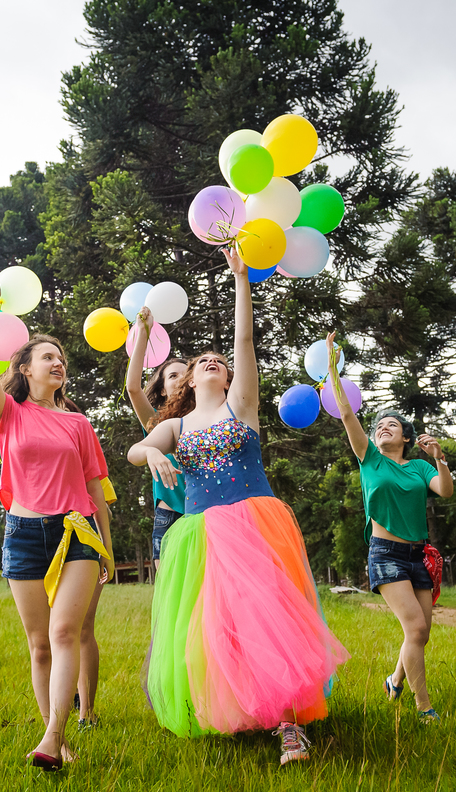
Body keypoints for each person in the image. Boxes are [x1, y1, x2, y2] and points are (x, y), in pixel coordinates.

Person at [128, 250, 348, 766]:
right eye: (202, 360)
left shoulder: (239, 406)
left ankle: (291, 727)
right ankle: (244, 708)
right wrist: (154, 450)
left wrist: (242, 280)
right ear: (185, 382)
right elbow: (136, 450)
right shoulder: (177, 427)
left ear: (226, 379)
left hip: (255, 523)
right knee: (220, 624)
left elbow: (243, 341)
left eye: (218, 362)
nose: (212, 361)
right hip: (202, 534)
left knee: (271, 619)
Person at [0, 269, 113, 770]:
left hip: (77, 531)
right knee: (38, 646)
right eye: (48, 356)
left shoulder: (78, 423)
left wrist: (107, 549)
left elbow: (96, 490)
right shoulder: (7, 414)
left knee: (64, 633)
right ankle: (59, 741)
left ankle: (54, 735)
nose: (58, 363)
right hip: (24, 534)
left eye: (61, 358)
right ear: (27, 369)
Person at [324, 332, 453, 724]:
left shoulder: (418, 467)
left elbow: (445, 491)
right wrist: (332, 367)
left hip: (419, 555)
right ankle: (423, 707)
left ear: (407, 437)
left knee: (421, 634)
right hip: (385, 554)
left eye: (392, 425)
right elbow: (348, 415)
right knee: (414, 627)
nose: (383, 428)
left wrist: (440, 457)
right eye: (379, 425)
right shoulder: (369, 460)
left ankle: (394, 680)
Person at [125, 307, 187, 569]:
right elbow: (133, 388)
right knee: (171, 595)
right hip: (170, 514)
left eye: (187, 374)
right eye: (173, 375)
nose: (181, 378)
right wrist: (143, 333)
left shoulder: (212, 420)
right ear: (162, 390)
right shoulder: (157, 424)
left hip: (210, 512)